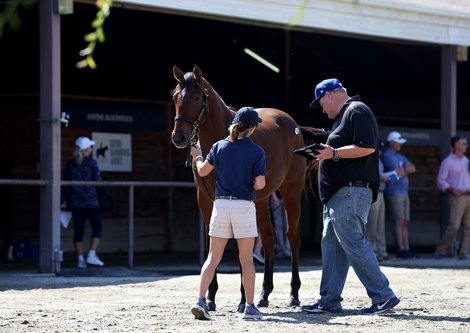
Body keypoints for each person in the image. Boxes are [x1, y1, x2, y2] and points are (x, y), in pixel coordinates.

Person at [301, 78, 400, 315]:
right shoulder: (343, 118)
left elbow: (367, 147)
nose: (322, 109)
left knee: (353, 243)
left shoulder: (357, 110)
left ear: (331, 95)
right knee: (332, 248)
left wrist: (332, 152)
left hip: (350, 192)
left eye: (322, 103)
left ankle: (383, 296)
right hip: (339, 194)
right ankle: (329, 301)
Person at [190, 106, 266, 320]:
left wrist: (197, 156)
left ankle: (200, 300)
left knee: (213, 257)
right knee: (247, 261)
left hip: (221, 205)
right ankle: (250, 307)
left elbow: (203, 171)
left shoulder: (218, 146)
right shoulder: (257, 152)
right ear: (251, 129)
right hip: (243, 206)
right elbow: (260, 184)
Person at [63, 137, 104, 268]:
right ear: (87, 149)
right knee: (97, 227)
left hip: (76, 202)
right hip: (91, 201)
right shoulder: (92, 163)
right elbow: (98, 181)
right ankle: (92, 254)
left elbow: (65, 182)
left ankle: (80, 258)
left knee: (78, 230)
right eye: (90, 147)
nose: (91, 149)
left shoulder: (70, 164)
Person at [382, 131, 417, 259]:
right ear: (391, 142)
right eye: (398, 142)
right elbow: (396, 171)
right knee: (399, 221)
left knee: (405, 222)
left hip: (404, 192)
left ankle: (406, 249)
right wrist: (404, 171)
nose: (400, 145)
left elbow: (412, 168)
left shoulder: (401, 156)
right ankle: (401, 249)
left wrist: (403, 171)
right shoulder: (387, 155)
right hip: (394, 192)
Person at [435, 135, 470, 260]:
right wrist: (452, 190)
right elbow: (440, 180)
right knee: (454, 225)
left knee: (468, 227)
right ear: (456, 145)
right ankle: (441, 249)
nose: (466, 145)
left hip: (469, 196)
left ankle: (464, 253)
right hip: (457, 197)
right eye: (463, 143)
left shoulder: (467, 161)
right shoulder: (447, 162)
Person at [366, 141, 392, 261]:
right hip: (373, 193)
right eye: (379, 149)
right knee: (372, 224)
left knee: (380, 225)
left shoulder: (379, 160)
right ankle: (372, 252)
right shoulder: (370, 159)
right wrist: (381, 177)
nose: (381, 151)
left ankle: (382, 251)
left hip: (381, 193)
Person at [269, 191, 291, 259]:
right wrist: (274, 196)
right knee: (278, 226)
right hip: (277, 198)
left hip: (288, 198)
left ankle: (287, 249)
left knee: (288, 225)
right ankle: (281, 249)